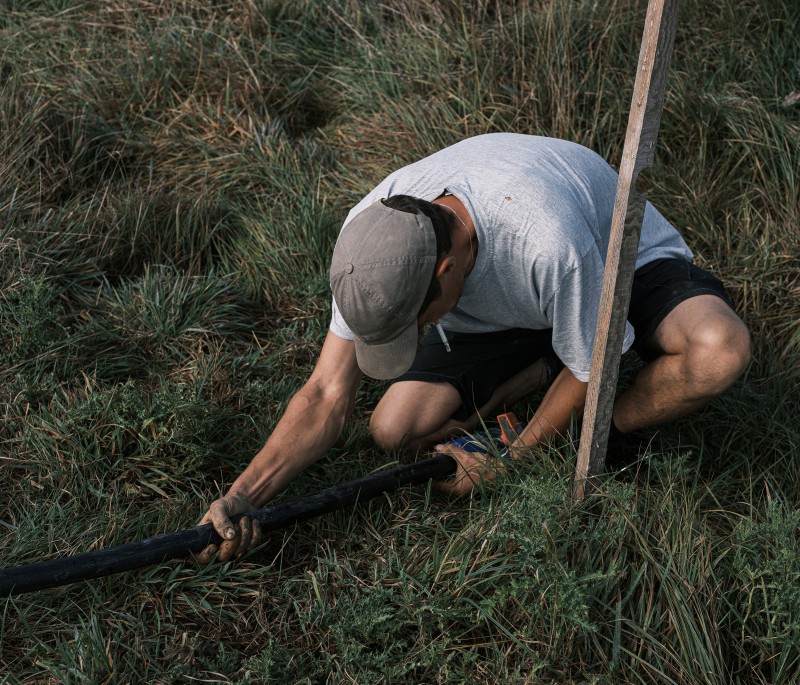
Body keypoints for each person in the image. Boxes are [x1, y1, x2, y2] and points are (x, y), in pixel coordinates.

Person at [197, 133, 750, 562]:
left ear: (446, 268)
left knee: (719, 350)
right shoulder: (374, 245)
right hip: (520, 306)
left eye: (415, 326)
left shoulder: (546, 240)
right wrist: (245, 496)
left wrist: (512, 461)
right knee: (395, 429)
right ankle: (543, 362)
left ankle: (600, 432)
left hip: (620, 264)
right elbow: (324, 394)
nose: (408, 343)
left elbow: (594, 369)